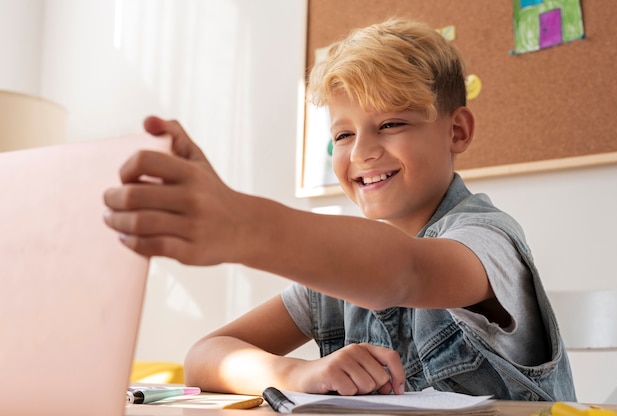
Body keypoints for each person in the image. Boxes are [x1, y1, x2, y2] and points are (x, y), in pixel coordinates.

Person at [103, 18, 576, 401]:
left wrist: (242, 224)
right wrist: (296, 372)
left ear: (457, 132)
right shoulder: (332, 280)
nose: (362, 152)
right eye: (344, 134)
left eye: (390, 123)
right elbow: (205, 356)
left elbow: (403, 271)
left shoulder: (488, 241)